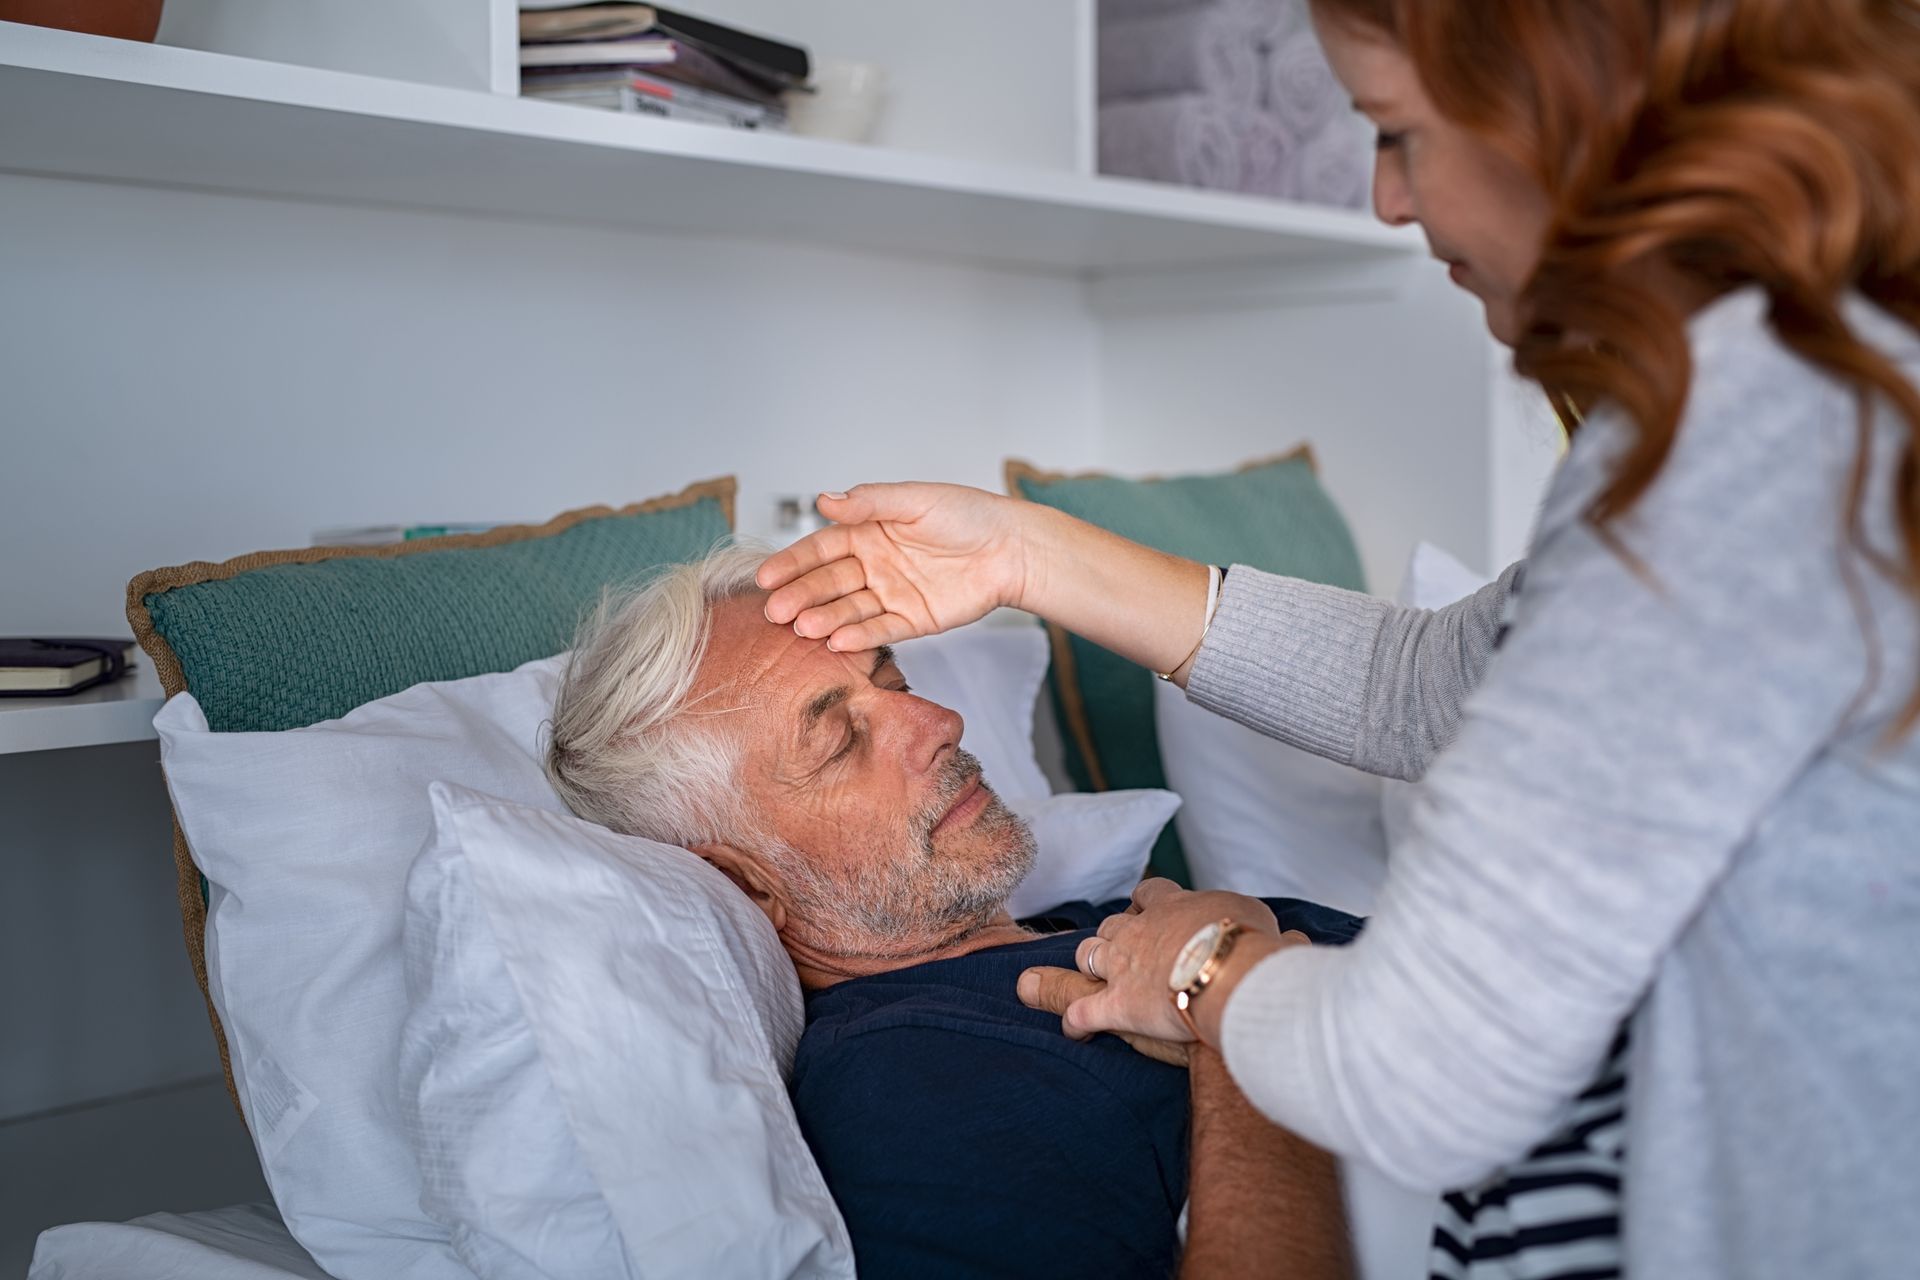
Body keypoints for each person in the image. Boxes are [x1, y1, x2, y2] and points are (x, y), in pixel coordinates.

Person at [751, 0, 1920, 1275]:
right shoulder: (1833, 393)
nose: (1386, 199)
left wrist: (1209, 974)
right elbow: (1437, 680)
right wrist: (1028, 550)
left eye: (1398, 132)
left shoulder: (1736, 448)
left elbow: (1431, 1061)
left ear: (1573, 107)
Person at [543, 547, 1359, 1278]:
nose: (940, 723)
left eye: (894, 683)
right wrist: (1232, 997)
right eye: (840, 744)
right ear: (751, 884)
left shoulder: (1107, 922)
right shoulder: (911, 1084)